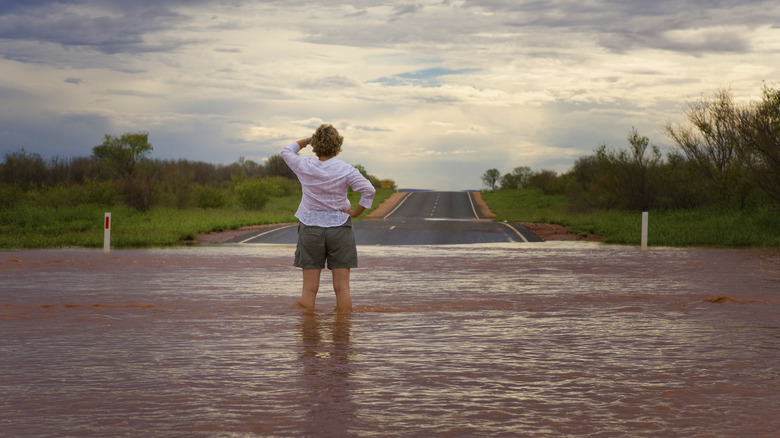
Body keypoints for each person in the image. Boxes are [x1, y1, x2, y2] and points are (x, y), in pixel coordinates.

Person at [281, 124, 376, 310]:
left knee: (309, 290)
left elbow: (287, 151)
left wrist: (308, 140)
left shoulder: (304, 165)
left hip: (310, 227)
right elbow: (369, 190)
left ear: (316, 145)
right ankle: (342, 334)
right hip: (340, 228)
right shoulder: (346, 169)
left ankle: (308, 335)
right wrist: (356, 212)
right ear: (338, 145)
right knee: (342, 289)